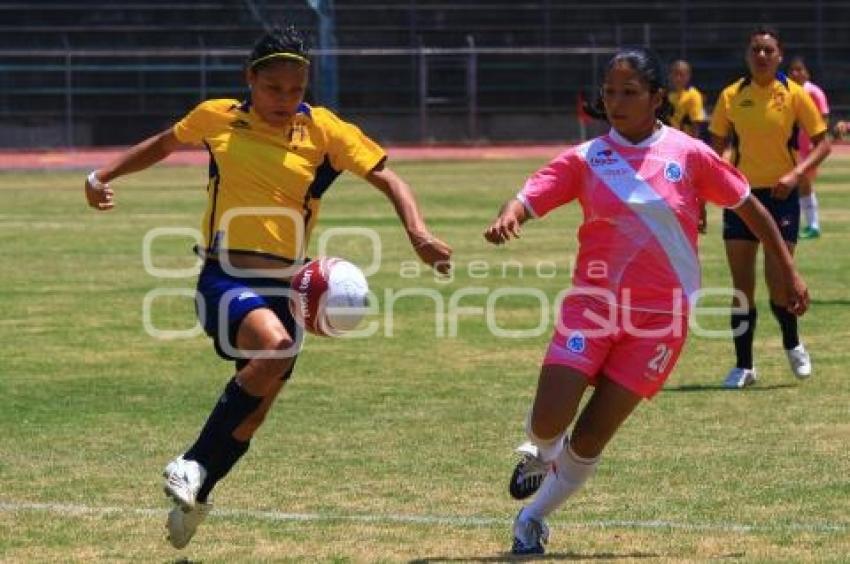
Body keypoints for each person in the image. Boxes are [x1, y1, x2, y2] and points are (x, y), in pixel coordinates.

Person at [84, 25, 452, 550]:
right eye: (274, 87)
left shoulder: (323, 131)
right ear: (250, 80)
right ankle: (189, 462)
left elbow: (390, 178)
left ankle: (201, 488)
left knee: (252, 416)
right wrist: (102, 177)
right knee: (276, 349)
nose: (285, 99)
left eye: (296, 89)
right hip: (225, 276)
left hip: (289, 288)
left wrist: (417, 232)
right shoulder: (218, 117)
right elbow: (163, 144)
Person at [483, 47, 808, 556]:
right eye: (609, 91)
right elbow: (530, 194)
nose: (615, 101)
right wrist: (511, 216)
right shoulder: (588, 158)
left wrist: (786, 271)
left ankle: (532, 518)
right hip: (592, 308)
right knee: (550, 419)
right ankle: (540, 450)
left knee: (590, 438)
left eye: (629, 92)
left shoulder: (688, 153)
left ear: (658, 98)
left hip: (661, 321)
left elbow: (750, 206)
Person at [709, 27, 830, 389]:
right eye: (756, 50)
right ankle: (744, 366)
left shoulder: (794, 95)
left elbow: (823, 144)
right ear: (748, 55)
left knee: (779, 285)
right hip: (741, 198)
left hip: (781, 198)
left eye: (768, 50)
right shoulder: (731, 95)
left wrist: (795, 175)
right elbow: (715, 148)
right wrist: (714, 184)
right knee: (741, 286)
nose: (761, 56)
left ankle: (792, 342)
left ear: (779, 56)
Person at [787, 56, 830, 239]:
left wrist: (816, 143)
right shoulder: (786, 90)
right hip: (791, 146)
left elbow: (823, 118)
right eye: (792, 70)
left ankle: (813, 225)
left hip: (808, 148)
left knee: (804, 183)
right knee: (799, 185)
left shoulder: (814, 92)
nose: (796, 73)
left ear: (807, 72)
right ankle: (808, 224)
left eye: (799, 69)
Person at [667, 59, 709, 232]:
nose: (678, 77)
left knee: (693, 184)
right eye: (675, 74)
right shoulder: (667, 97)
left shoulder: (693, 96)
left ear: (688, 76)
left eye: (682, 74)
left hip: (686, 148)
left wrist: (692, 148)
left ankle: (700, 216)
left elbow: (696, 124)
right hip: (670, 147)